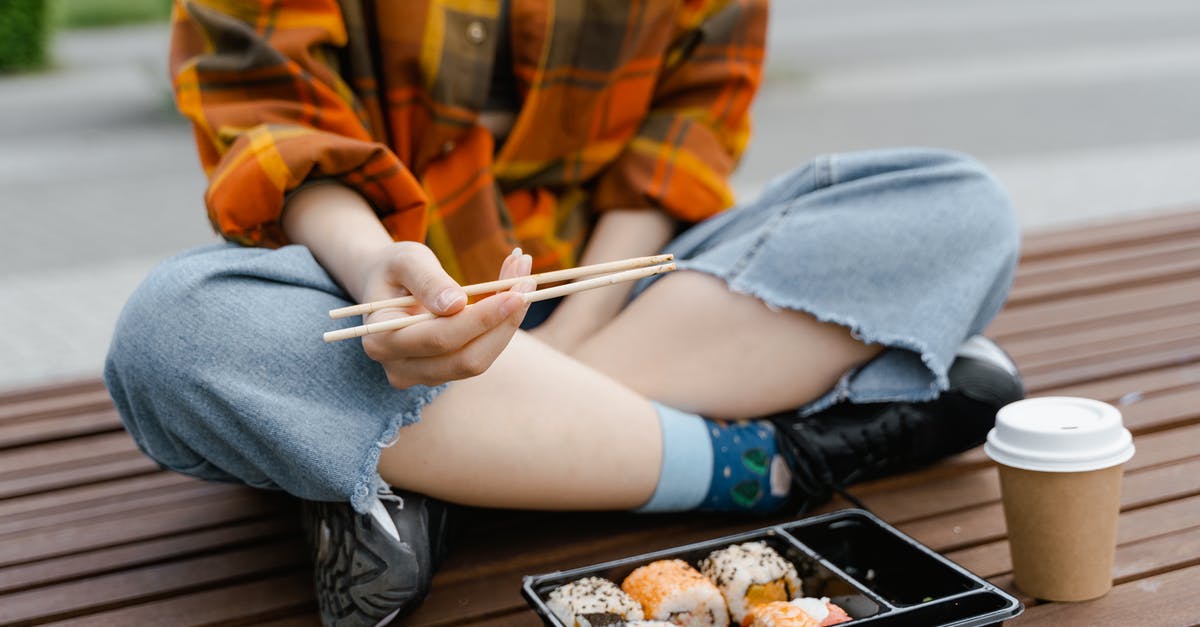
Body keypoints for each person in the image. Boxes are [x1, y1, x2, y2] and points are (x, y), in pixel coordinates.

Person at [104, 1, 1023, 625]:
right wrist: (376, 264)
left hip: (613, 299)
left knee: (955, 207)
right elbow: (264, 104)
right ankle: (760, 464)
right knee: (180, 330)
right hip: (368, 299)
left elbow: (682, 130)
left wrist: (574, 325)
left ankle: (450, 468)